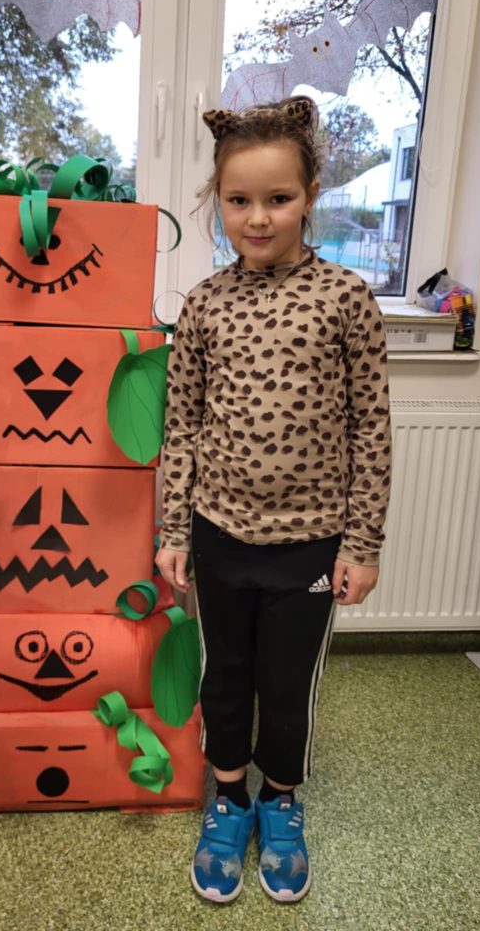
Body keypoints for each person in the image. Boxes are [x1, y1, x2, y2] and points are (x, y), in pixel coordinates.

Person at [155, 96, 391, 905]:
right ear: (217, 201)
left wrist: (362, 545)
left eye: (279, 198)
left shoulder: (346, 298)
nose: (258, 218)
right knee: (226, 676)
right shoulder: (203, 304)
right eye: (239, 200)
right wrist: (174, 529)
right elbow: (182, 424)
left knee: (287, 684)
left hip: (313, 545)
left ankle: (280, 800)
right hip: (218, 535)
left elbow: (371, 430)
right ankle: (228, 797)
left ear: (311, 195)